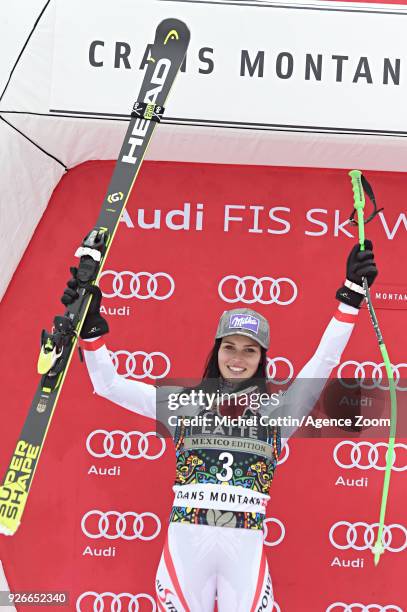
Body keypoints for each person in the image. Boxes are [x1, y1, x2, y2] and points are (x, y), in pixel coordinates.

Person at [62, 241, 377, 611]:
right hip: (185, 547)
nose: (238, 358)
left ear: (261, 359)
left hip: (244, 549)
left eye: (250, 350)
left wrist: (350, 299)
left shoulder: (279, 412)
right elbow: (108, 385)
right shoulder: (184, 404)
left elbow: (323, 362)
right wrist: (92, 334)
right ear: (217, 350)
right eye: (230, 347)